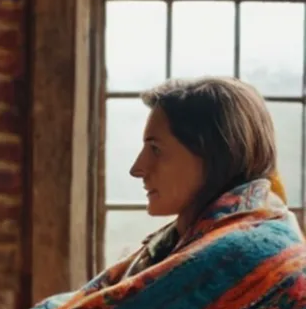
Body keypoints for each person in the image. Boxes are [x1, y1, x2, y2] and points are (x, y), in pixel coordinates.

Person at [118, 75, 300, 280]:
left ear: (216, 155)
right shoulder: (176, 243)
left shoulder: (240, 259)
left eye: (156, 149)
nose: (137, 169)